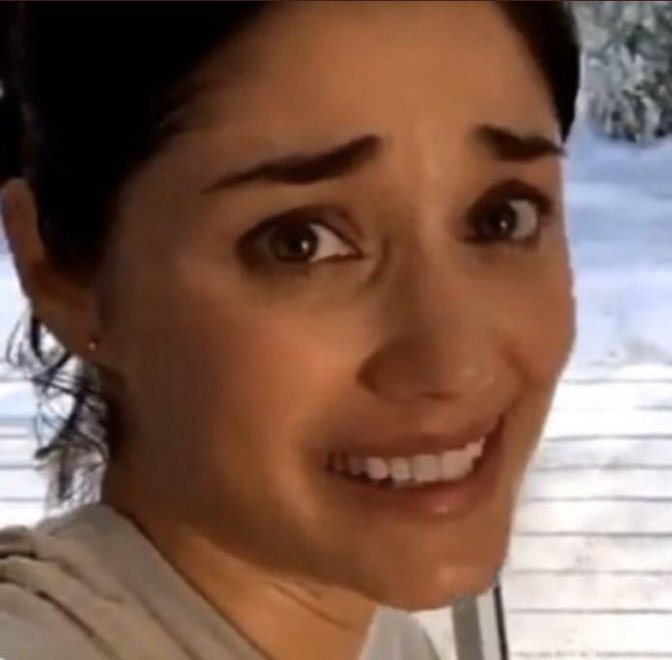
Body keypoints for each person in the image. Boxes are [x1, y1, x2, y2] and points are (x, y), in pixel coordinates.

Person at [0, 2, 578, 658]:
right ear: (58, 276)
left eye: (503, 218)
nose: (454, 364)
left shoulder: (389, 643)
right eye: (299, 242)